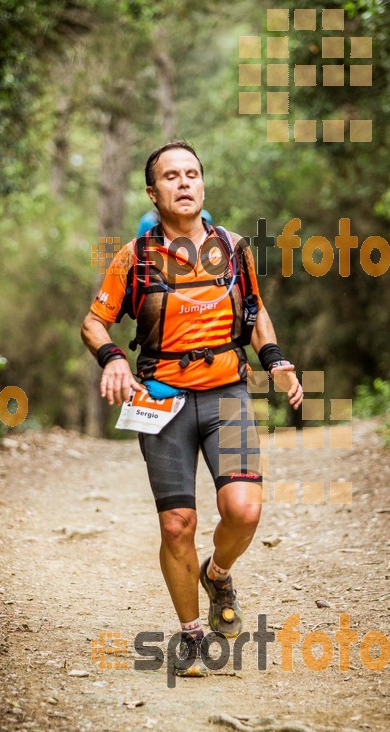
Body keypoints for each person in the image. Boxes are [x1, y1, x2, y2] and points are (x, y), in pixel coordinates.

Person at [81, 141, 303, 678]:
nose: (184, 183)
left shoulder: (233, 248)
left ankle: (218, 573)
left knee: (245, 510)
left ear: (203, 184)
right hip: (161, 400)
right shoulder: (132, 258)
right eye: (171, 176)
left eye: (193, 174)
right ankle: (192, 636)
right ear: (152, 192)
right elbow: (93, 322)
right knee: (178, 523)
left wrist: (275, 361)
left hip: (227, 393)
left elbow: (254, 312)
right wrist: (112, 359)